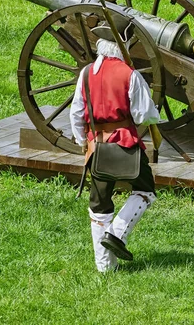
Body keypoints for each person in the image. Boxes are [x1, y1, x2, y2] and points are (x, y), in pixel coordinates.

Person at [70, 19, 160, 272]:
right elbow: (144, 115)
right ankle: (118, 234)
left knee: (99, 206)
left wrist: (82, 141)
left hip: (96, 147)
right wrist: (154, 113)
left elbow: (76, 113)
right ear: (123, 47)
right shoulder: (130, 75)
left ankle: (105, 268)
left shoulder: (86, 73)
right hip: (126, 145)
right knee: (145, 191)